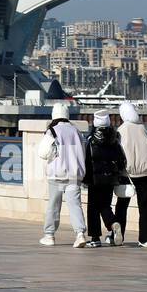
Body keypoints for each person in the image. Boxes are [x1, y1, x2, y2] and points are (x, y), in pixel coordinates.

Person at [39, 103, 88, 247]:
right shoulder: (76, 132)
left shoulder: (52, 131)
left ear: (54, 115)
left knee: (53, 206)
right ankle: (80, 234)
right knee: (75, 206)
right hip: (74, 175)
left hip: (56, 174)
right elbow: (83, 153)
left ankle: (49, 235)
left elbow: (42, 153)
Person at [115, 101, 147, 248]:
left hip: (127, 172)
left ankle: (117, 235)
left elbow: (118, 151)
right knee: (146, 206)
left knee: (122, 205)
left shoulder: (121, 130)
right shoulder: (142, 128)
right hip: (145, 172)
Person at [84, 110, 127, 247]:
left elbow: (86, 159)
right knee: (105, 205)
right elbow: (121, 160)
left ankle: (95, 238)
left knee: (93, 208)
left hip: (95, 179)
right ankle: (113, 223)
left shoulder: (91, 140)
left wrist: (85, 178)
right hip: (110, 179)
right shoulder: (115, 139)